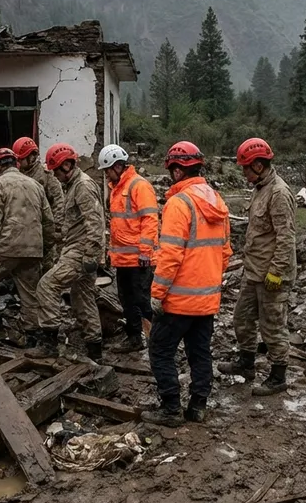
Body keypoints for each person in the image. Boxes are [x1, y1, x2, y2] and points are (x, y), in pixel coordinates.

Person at [142, 141, 232, 427]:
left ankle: (170, 408)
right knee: (199, 352)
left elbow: (169, 255)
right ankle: (197, 406)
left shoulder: (179, 204)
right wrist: (207, 282)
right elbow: (226, 253)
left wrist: (157, 293)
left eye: (171, 170)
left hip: (178, 300)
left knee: (159, 350)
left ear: (178, 171)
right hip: (206, 300)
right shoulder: (217, 201)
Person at [218, 138, 295, 396]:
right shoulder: (260, 188)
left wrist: (277, 271)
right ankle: (246, 363)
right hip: (253, 270)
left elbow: (286, 237)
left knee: (272, 325)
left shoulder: (279, 193)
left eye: (246, 168)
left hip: (271, 273)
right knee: (242, 318)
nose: (243, 173)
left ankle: (278, 375)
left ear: (259, 165)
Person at [28, 144, 106, 361]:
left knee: (47, 285)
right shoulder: (73, 186)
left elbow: (95, 222)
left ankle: (49, 343)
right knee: (82, 298)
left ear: (67, 165)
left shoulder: (82, 186)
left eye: (56, 171)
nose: (55, 176)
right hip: (78, 249)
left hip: (80, 252)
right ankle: (95, 350)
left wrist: (91, 255)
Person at [0, 148, 54, 336]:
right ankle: (32, 333)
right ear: (16, 163)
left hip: (8, 246)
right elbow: (48, 220)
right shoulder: (35, 185)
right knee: (29, 293)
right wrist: (47, 247)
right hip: (34, 248)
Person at [98, 144, 160, 353]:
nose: (106, 174)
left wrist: (145, 252)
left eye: (107, 169)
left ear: (117, 166)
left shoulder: (138, 186)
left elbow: (150, 219)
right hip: (123, 259)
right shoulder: (117, 188)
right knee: (127, 300)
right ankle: (134, 338)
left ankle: (155, 343)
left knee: (143, 302)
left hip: (139, 259)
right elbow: (119, 225)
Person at [14, 136, 64, 271]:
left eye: (21, 159)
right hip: (24, 232)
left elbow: (58, 202)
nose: (18, 162)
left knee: (47, 267)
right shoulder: (16, 175)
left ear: (31, 157)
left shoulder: (46, 175)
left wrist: (56, 229)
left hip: (43, 230)